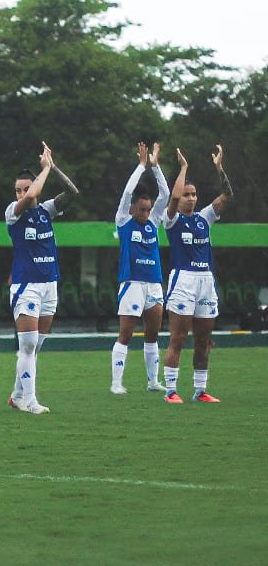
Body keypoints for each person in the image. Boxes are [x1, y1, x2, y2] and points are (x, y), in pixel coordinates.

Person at [5, 142, 80, 413]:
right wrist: (43, 171)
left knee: (35, 348)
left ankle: (16, 394)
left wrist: (53, 167)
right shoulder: (13, 213)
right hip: (27, 286)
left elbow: (72, 192)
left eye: (26, 188)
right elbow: (29, 198)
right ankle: (31, 400)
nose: (22, 193)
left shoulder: (46, 210)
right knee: (28, 344)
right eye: (18, 190)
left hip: (50, 286)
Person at [162, 146, 232, 403]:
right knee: (178, 338)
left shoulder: (205, 218)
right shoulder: (171, 220)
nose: (190, 198)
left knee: (203, 340)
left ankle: (200, 390)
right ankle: (171, 391)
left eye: (194, 195)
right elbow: (172, 199)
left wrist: (219, 168)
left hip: (206, 282)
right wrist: (183, 169)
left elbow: (227, 195)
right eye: (186, 195)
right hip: (183, 280)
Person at [109, 142, 170, 396]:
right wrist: (141, 166)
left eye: (148, 209)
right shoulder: (124, 222)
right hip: (132, 283)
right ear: (132, 208)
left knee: (153, 334)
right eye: (141, 209)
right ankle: (116, 383)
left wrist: (155, 168)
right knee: (125, 333)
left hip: (154, 283)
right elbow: (126, 193)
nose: (146, 213)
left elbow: (165, 195)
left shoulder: (153, 223)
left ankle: (152, 381)